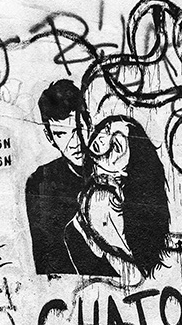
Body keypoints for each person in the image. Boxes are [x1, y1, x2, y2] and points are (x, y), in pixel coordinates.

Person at [25, 80, 116, 276]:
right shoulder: (41, 182)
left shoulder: (115, 167)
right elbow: (48, 262)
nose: (74, 142)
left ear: (90, 124)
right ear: (49, 137)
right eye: (60, 134)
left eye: (78, 129)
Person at [67, 116, 170, 278]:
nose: (103, 140)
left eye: (115, 146)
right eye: (106, 130)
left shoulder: (104, 199)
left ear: (126, 172)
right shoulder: (91, 188)